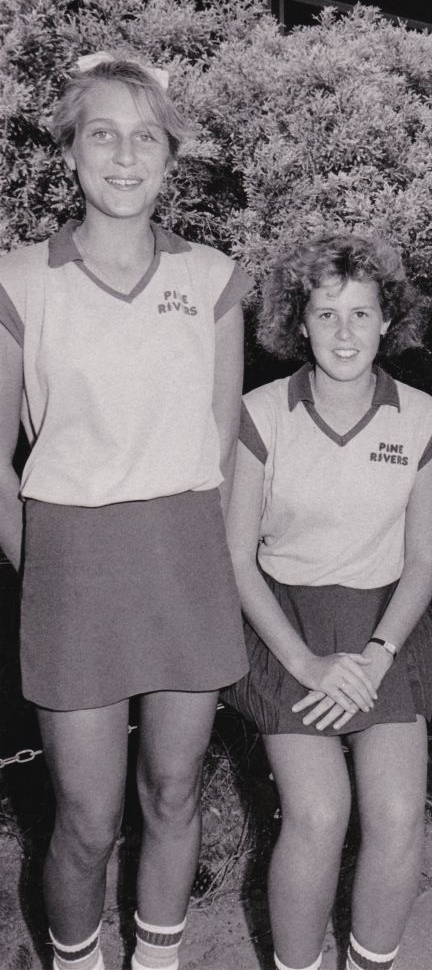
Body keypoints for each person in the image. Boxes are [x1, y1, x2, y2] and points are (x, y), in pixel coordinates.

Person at [0, 52, 251, 970]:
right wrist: (49, 573)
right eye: (102, 133)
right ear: (70, 149)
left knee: (175, 788)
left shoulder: (216, 278)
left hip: (184, 553)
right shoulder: (20, 280)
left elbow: (222, 448)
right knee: (85, 818)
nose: (124, 156)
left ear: (169, 157)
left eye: (146, 137)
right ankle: (77, 959)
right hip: (72, 560)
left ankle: (157, 956)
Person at [221, 233, 432, 970]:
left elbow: (422, 561)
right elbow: (234, 558)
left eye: (361, 314)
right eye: (326, 315)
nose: (344, 333)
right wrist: (306, 662)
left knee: (393, 817)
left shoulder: (423, 420)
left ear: (389, 321)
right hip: (283, 623)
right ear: (299, 322)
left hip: (385, 626)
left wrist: (376, 656)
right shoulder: (259, 414)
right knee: (319, 813)